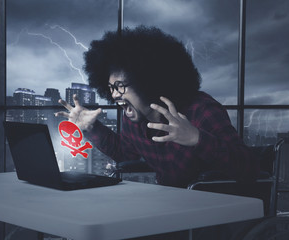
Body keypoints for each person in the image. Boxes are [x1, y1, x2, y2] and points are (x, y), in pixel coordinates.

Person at [55, 25, 259, 189]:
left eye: (120, 86)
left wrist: (197, 138)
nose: (114, 94)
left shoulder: (202, 110)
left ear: (148, 80)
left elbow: (248, 167)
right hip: (170, 207)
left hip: (214, 214)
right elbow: (126, 155)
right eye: (110, 88)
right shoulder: (133, 120)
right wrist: (92, 128)